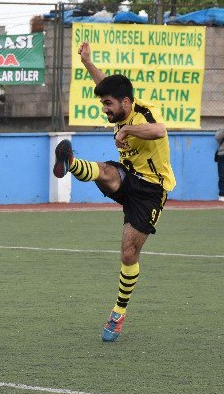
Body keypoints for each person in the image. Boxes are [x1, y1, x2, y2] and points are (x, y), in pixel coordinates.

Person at [52, 42, 176, 342]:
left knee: (129, 252)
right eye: (103, 104)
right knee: (105, 171)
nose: (105, 110)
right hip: (127, 176)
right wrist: (87, 63)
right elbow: (104, 84)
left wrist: (126, 131)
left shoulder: (144, 112)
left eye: (108, 104)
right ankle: (71, 163)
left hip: (152, 190)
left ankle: (118, 313)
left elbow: (159, 130)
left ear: (126, 101)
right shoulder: (120, 106)